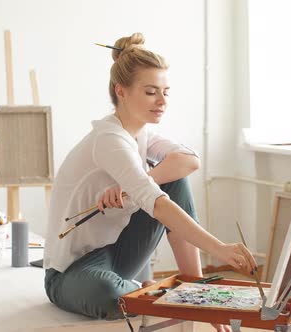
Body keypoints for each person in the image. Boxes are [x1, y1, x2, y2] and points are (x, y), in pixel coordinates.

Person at [43, 33, 257, 331]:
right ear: (122, 91)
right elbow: (155, 203)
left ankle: (194, 287)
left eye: (166, 92)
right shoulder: (109, 138)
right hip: (70, 272)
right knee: (108, 296)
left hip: (117, 253)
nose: (162, 101)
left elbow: (189, 160)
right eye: (150, 92)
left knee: (174, 179)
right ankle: (142, 288)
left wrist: (138, 181)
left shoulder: (142, 135)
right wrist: (219, 248)